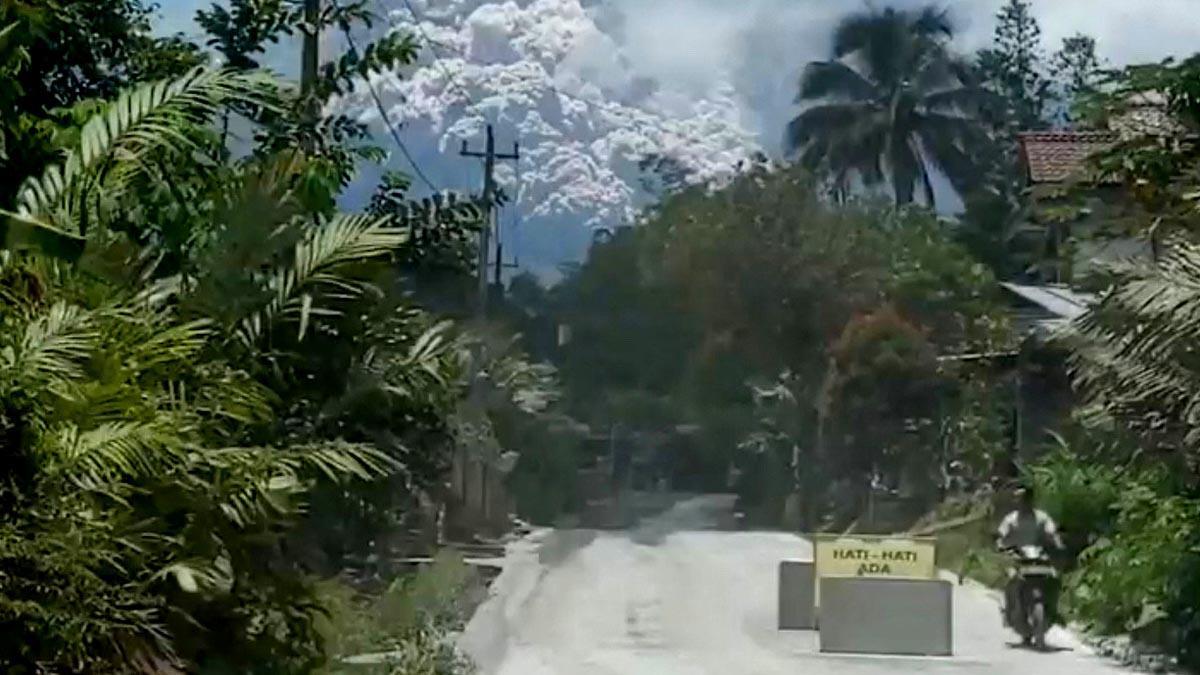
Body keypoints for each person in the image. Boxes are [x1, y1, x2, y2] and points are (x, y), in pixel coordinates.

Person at [996, 485, 1064, 637]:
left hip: (1039, 558)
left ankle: (1054, 610)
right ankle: (1009, 611)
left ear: (1031, 500)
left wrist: (1057, 543)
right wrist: (1001, 545)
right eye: (1019, 499)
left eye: (1025, 498)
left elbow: (1052, 533)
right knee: (1010, 580)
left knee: (1054, 578)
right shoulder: (1011, 519)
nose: (1022, 502)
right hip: (1018, 558)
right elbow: (1001, 536)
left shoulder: (1042, 517)